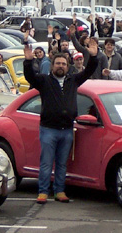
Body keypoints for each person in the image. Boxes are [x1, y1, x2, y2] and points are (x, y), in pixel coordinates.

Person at [23, 35, 99, 204]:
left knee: (62, 164)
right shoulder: (44, 81)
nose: (61, 66)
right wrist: (28, 61)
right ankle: (43, 192)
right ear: (52, 66)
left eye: (64, 64)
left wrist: (93, 56)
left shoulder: (73, 80)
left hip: (67, 130)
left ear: (68, 66)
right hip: (48, 129)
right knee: (46, 163)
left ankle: (59, 191)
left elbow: (89, 71)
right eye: (58, 63)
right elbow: (30, 76)